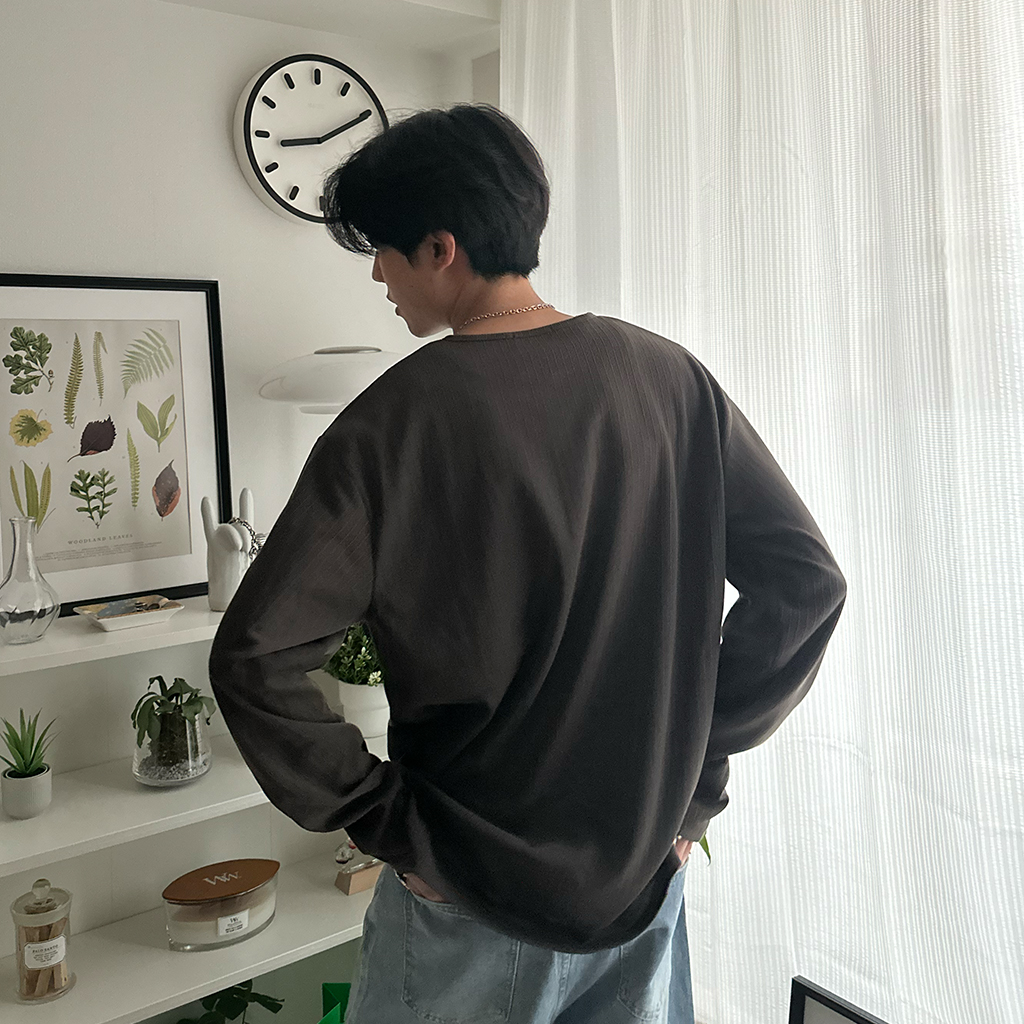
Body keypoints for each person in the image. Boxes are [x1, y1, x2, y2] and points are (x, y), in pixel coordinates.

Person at [208, 104, 846, 1024]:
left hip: (467, 902)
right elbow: (806, 584)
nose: (379, 275)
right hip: (643, 882)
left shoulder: (392, 425)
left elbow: (254, 656)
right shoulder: (670, 381)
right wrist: (688, 784)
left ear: (441, 248)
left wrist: (387, 820)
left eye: (382, 250)